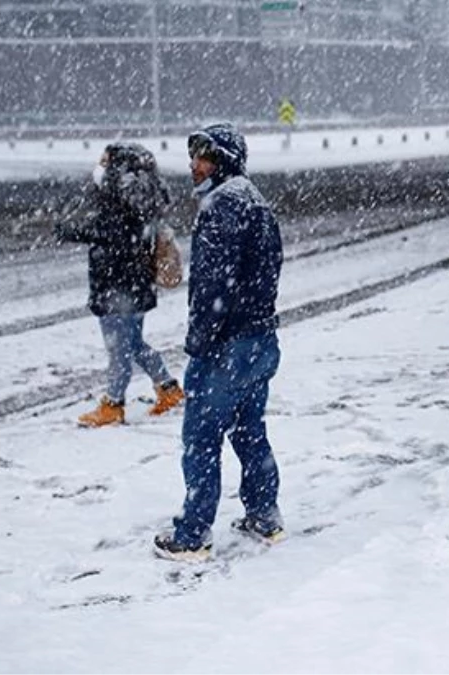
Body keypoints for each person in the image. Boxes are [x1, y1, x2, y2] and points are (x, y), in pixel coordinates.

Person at [154, 123, 285, 561]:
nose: (194, 165)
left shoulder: (221, 205)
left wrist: (201, 342)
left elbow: (213, 287)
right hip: (261, 339)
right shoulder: (255, 201)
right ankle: (265, 515)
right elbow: (266, 274)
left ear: (224, 160)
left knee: (202, 438)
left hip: (227, 346)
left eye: (203, 156)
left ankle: (192, 536)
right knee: (250, 431)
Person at [55, 142, 184, 428]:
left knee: (119, 350)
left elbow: (110, 235)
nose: (99, 166)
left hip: (116, 288)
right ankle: (168, 389)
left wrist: (71, 232)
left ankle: (113, 405)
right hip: (137, 285)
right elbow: (124, 236)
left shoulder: (115, 197)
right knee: (134, 344)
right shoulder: (143, 195)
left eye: (105, 161)